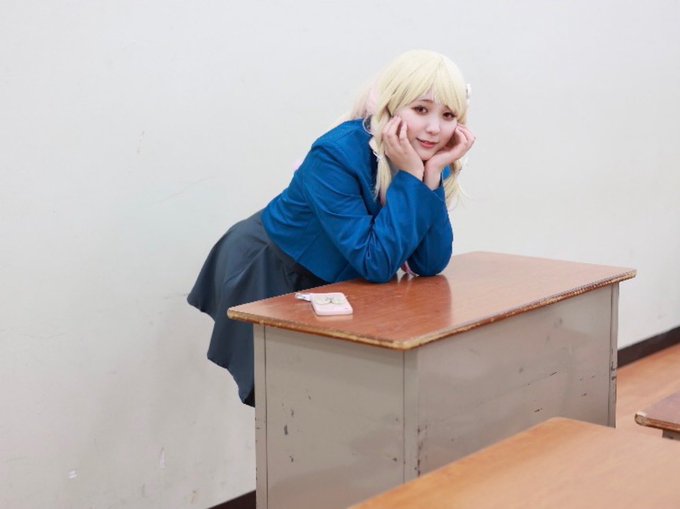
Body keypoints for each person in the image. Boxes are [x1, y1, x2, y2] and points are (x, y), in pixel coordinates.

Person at [188, 49, 476, 406]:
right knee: (288, 405)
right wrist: (412, 176)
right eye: (421, 109)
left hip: (338, 279)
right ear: (393, 105)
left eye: (448, 115)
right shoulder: (334, 155)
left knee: (329, 403)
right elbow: (375, 262)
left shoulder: (427, 157)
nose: (434, 128)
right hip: (273, 268)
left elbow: (429, 263)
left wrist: (429, 176)